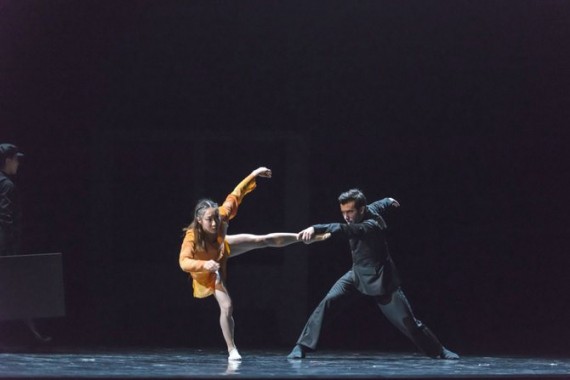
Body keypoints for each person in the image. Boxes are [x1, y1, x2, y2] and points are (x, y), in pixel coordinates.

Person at [287, 188, 459, 360]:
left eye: (350, 212)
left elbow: (344, 229)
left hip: (381, 279)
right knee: (328, 302)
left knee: (408, 322)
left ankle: (439, 351)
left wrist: (315, 228)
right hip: (356, 275)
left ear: (361, 209)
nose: (346, 216)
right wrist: (389, 200)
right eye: (343, 212)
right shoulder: (369, 208)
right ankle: (301, 346)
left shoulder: (371, 225)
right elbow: (379, 204)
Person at [179, 167, 328, 361]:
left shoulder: (221, 215)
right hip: (208, 268)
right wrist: (204, 265)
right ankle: (232, 349)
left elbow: (235, 194)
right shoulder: (192, 237)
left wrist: (253, 175)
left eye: (216, 218)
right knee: (227, 306)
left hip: (222, 248)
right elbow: (183, 262)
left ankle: (305, 238)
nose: (215, 223)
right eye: (209, 220)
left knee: (262, 240)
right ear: (199, 220)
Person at [0, 143, 51, 344]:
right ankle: (33, 336)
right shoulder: (7, 185)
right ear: (7, 160)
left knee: (16, 292)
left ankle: (33, 334)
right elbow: (4, 219)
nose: (19, 163)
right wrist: (6, 252)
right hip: (4, 250)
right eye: (16, 159)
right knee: (17, 291)